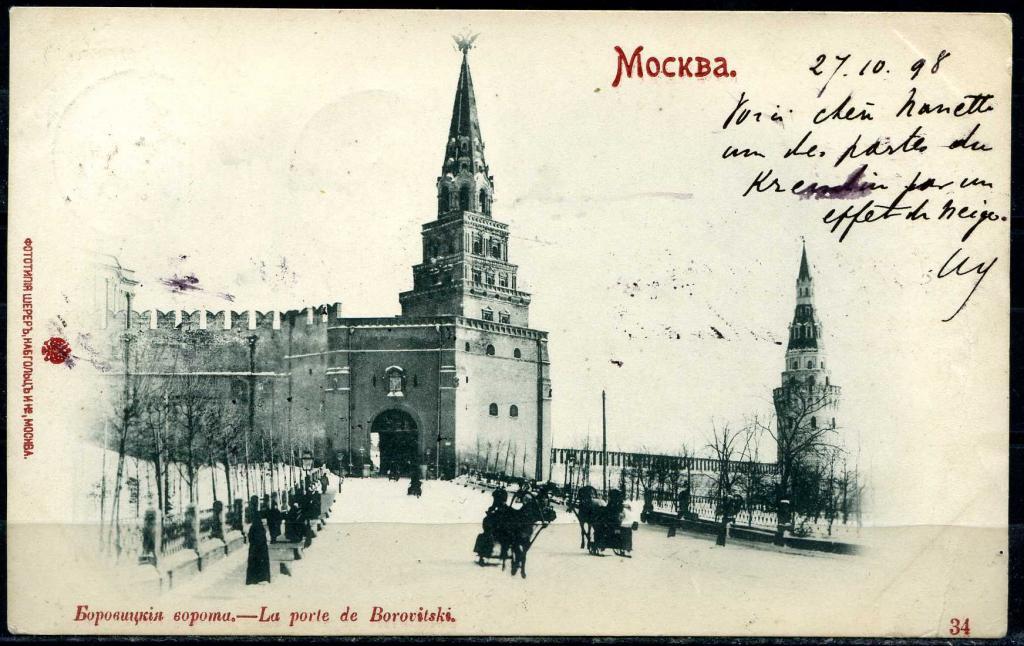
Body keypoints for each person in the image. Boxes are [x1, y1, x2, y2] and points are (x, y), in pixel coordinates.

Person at [246, 503, 271, 585]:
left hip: (254, 549)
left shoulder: (253, 527)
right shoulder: (261, 527)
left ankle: (253, 579)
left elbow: (250, 538)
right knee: (262, 563)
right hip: (262, 549)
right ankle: (263, 577)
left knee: (254, 564)